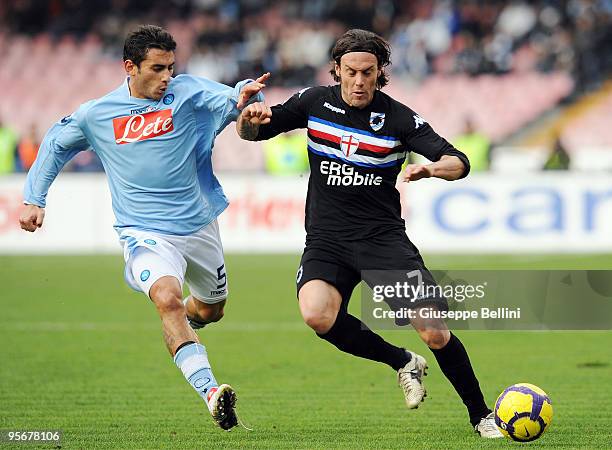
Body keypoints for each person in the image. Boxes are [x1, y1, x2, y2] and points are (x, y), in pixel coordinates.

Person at [236, 29, 503, 438]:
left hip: (383, 241)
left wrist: (431, 168)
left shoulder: (398, 118)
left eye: (368, 73)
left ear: (381, 74)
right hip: (327, 239)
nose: (359, 81)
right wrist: (248, 122)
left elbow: (459, 160)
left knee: (433, 330)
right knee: (317, 315)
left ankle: (481, 415)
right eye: (351, 72)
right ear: (337, 70)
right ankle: (401, 362)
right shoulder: (313, 102)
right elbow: (256, 132)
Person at [19, 25, 268, 431]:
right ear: (129, 67)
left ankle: (188, 321)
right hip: (144, 231)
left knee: (211, 310)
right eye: (157, 68)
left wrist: (245, 96)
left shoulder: (185, 93)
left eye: (171, 67)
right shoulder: (97, 114)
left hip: (199, 226)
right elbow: (55, 143)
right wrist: (34, 198)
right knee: (167, 299)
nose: (167, 76)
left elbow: (228, 94)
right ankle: (210, 393)